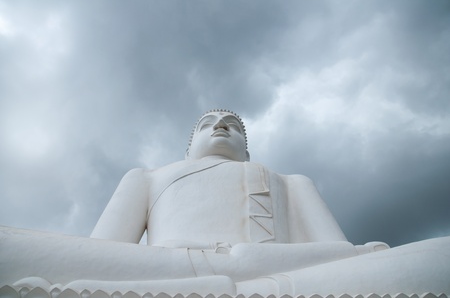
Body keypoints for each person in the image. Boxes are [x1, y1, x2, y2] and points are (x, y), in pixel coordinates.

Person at [1, 109, 449, 296]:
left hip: (288, 273)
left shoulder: (291, 181)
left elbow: (348, 256)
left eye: (233, 125)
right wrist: (219, 265)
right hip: (165, 268)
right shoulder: (148, 177)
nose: (221, 127)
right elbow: (99, 253)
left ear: (247, 148)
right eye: (209, 124)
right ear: (189, 144)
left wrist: (244, 262)